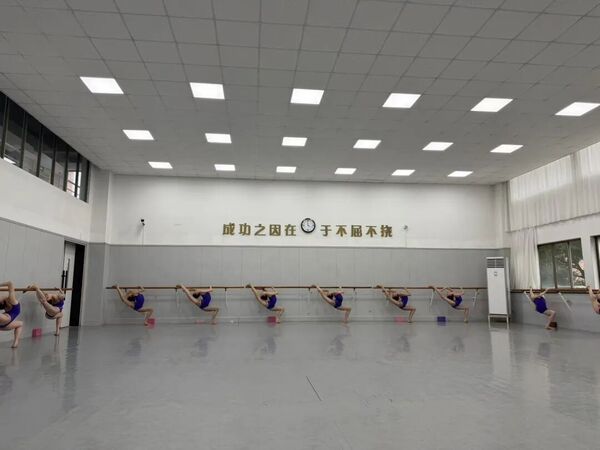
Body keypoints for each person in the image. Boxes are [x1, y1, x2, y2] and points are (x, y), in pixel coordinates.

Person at [0, 281, 23, 348]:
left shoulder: (11, 300)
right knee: (20, 324)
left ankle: (16, 342)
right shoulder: (11, 301)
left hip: (3, 323)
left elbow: (10, 283)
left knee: (20, 324)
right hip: (5, 322)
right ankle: (16, 342)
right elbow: (10, 283)